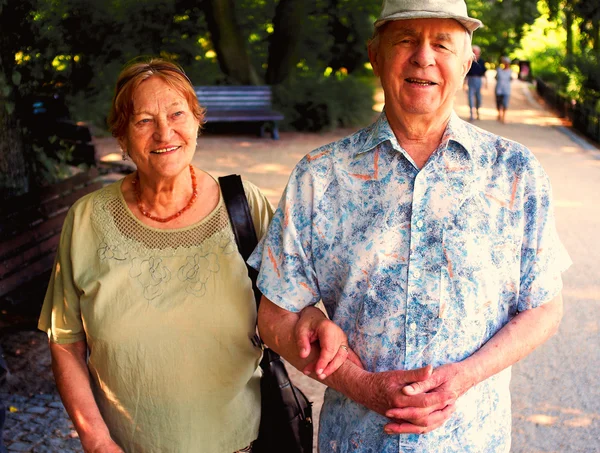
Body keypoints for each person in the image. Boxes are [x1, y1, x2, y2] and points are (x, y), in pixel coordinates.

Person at [248, 0, 570, 452]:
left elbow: (543, 308)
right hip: (356, 442)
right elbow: (275, 314)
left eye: (442, 43)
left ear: (466, 61)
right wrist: (360, 384)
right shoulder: (321, 175)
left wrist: (465, 377)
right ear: (375, 54)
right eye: (406, 40)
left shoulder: (515, 171)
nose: (424, 56)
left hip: (473, 441)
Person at [37, 58, 343, 453]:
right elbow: (66, 341)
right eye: (144, 120)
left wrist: (318, 321)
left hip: (240, 444)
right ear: (122, 137)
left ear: (197, 120)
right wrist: (95, 439)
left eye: (177, 113)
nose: (165, 131)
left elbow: (291, 305)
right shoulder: (86, 220)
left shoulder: (242, 204)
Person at [465, 44, 487, 120]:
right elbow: (466, 73)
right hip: (470, 80)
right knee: (470, 97)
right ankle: (471, 114)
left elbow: (484, 72)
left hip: (478, 80)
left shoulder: (481, 61)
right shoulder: (469, 61)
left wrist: (485, 83)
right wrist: (464, 83)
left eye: (475, 51)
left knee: (478, 97)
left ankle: (477, 111)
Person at [496, 56, 513, 123]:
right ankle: (499, 114)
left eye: (507, 63)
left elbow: (511, 79)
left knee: (505, 104)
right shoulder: (499, 70)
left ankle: (503, 117)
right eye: (505, 63)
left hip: (506, 89)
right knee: (499, 103)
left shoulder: (510, 71)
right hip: (499, 89)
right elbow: (496, 77)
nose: (506, 64)